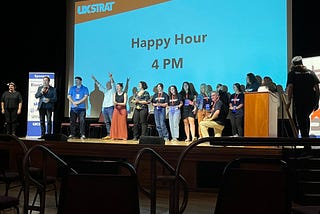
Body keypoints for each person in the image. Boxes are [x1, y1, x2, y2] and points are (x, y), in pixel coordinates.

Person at [286, 56, 320, 138]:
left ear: (293, 65)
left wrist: (289, 101)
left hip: (299, 100)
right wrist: (317, 101)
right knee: (305, 118)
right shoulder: (311, 73)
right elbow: (317, 88)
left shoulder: (292, 73)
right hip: (311, 100)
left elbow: (290, 87)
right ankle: (306, 140)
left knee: (301, 121)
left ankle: (306, 142)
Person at [92, 73, 116, 139]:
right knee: (107, 122)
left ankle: (114, 134)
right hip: (104, 108)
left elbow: (113, 84)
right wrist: (95, 80)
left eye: (108, 84)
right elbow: (100, 86)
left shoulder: (113, 91)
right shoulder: (105, 91)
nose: (107, 85)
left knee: (112, 121)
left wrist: (111, 78)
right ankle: (109, 134)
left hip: (110, 107)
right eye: (106, 85)